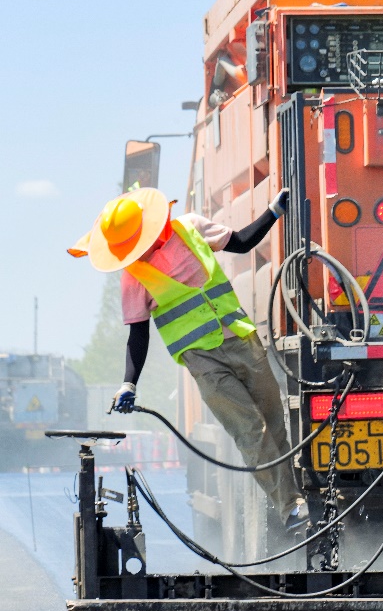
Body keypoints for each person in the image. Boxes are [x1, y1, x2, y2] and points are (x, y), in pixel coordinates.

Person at [68, 186, 306, 527]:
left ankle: (294, 500)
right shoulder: (134, 279)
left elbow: (239, 242)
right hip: (205, 364)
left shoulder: (190, 228)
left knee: (276, 426)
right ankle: (291, 508)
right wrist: (128, 384)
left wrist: (273, 212)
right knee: (251, 431)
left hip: (242, 339)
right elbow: (138, 334)